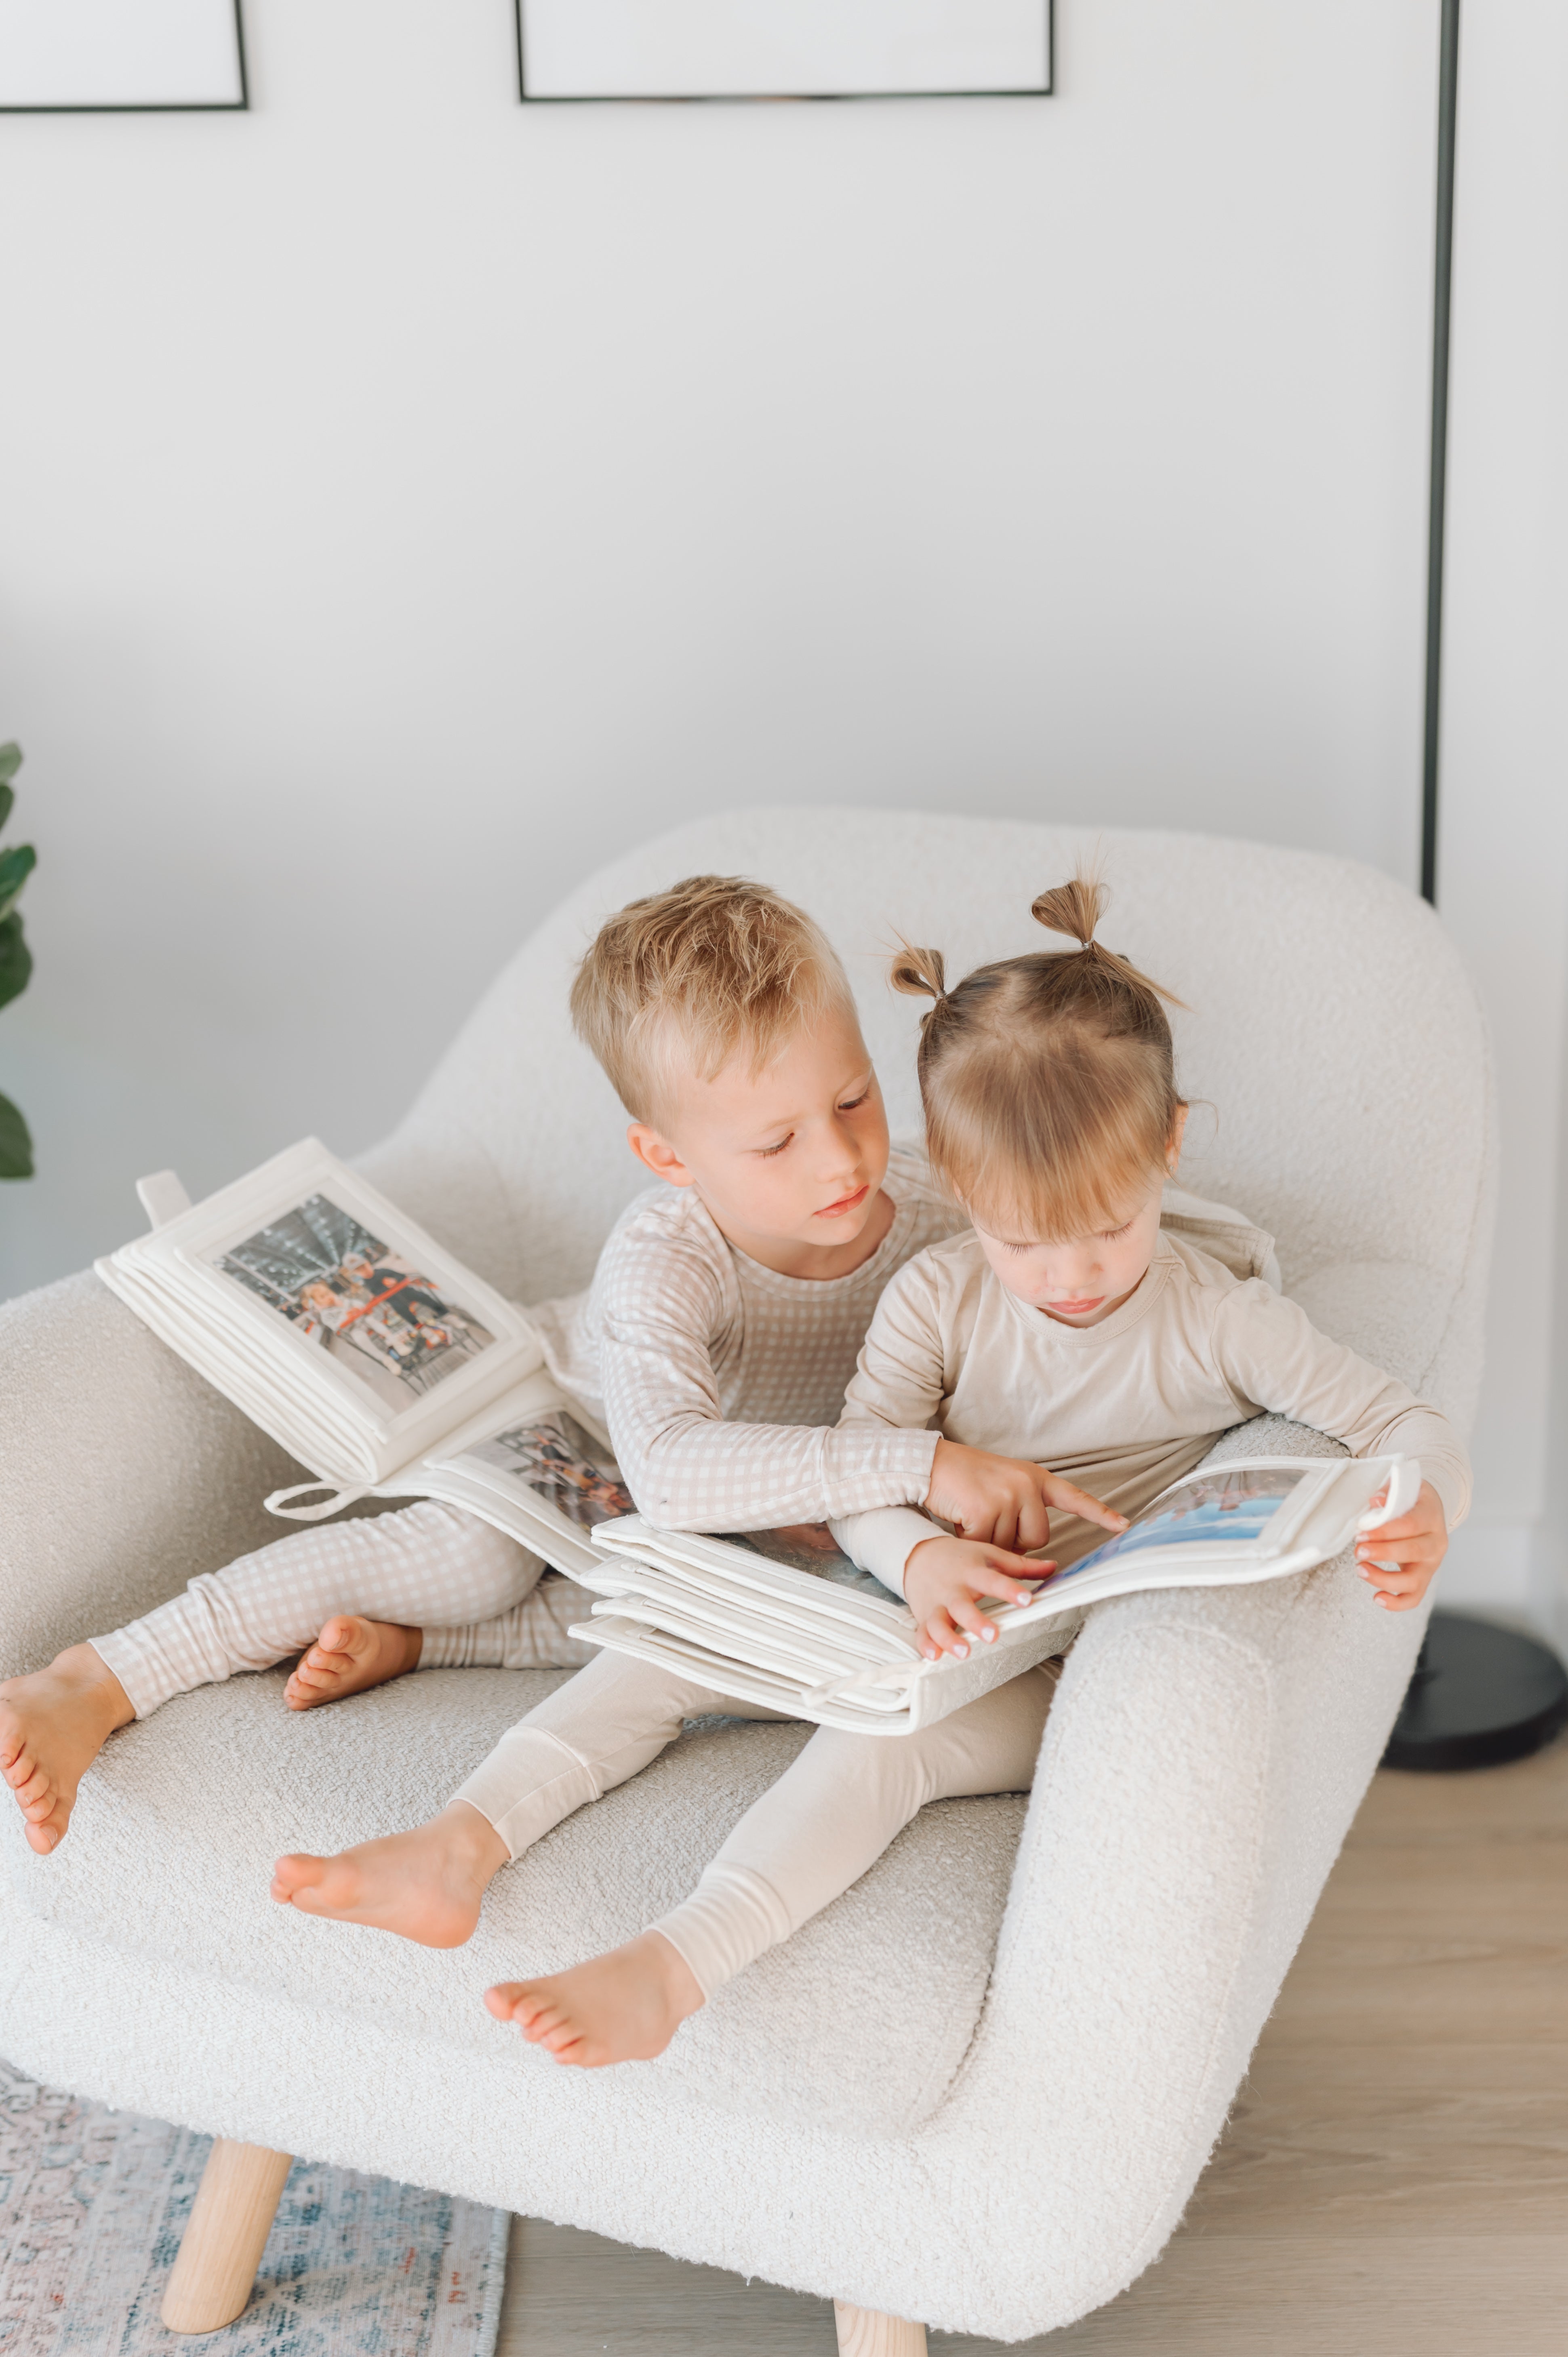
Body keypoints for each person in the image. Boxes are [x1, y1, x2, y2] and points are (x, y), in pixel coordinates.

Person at [478, 874, 1468, 2071]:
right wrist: (921, 1552)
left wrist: (1423, 1501)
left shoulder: (1223, 1321)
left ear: (1167, 1145)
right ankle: (567, 1901)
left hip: (1076, 1673)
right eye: (1018, 1235)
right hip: (952, 1633)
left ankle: (668, 1959)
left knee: (880, 1749)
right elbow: (860, 1479)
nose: (1066, 1277)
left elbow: (1403, 1419)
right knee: (754, 1689)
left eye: (1104, 1225)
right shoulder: (934, 1296)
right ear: (952, 1181)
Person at [4, 874, 1208, 1858]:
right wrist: (925, 1466)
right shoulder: (665, 1255)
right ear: (664, 1154)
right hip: (584, 1430)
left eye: (852, 1097)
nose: (839, 1157)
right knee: (469, 1557)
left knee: (732, 1608)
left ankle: (420, 1646)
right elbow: (674, 1474)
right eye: (775, 1138)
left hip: (763, 1505)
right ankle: (100, 1677)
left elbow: (1082, 1216)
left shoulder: (933, 1210)